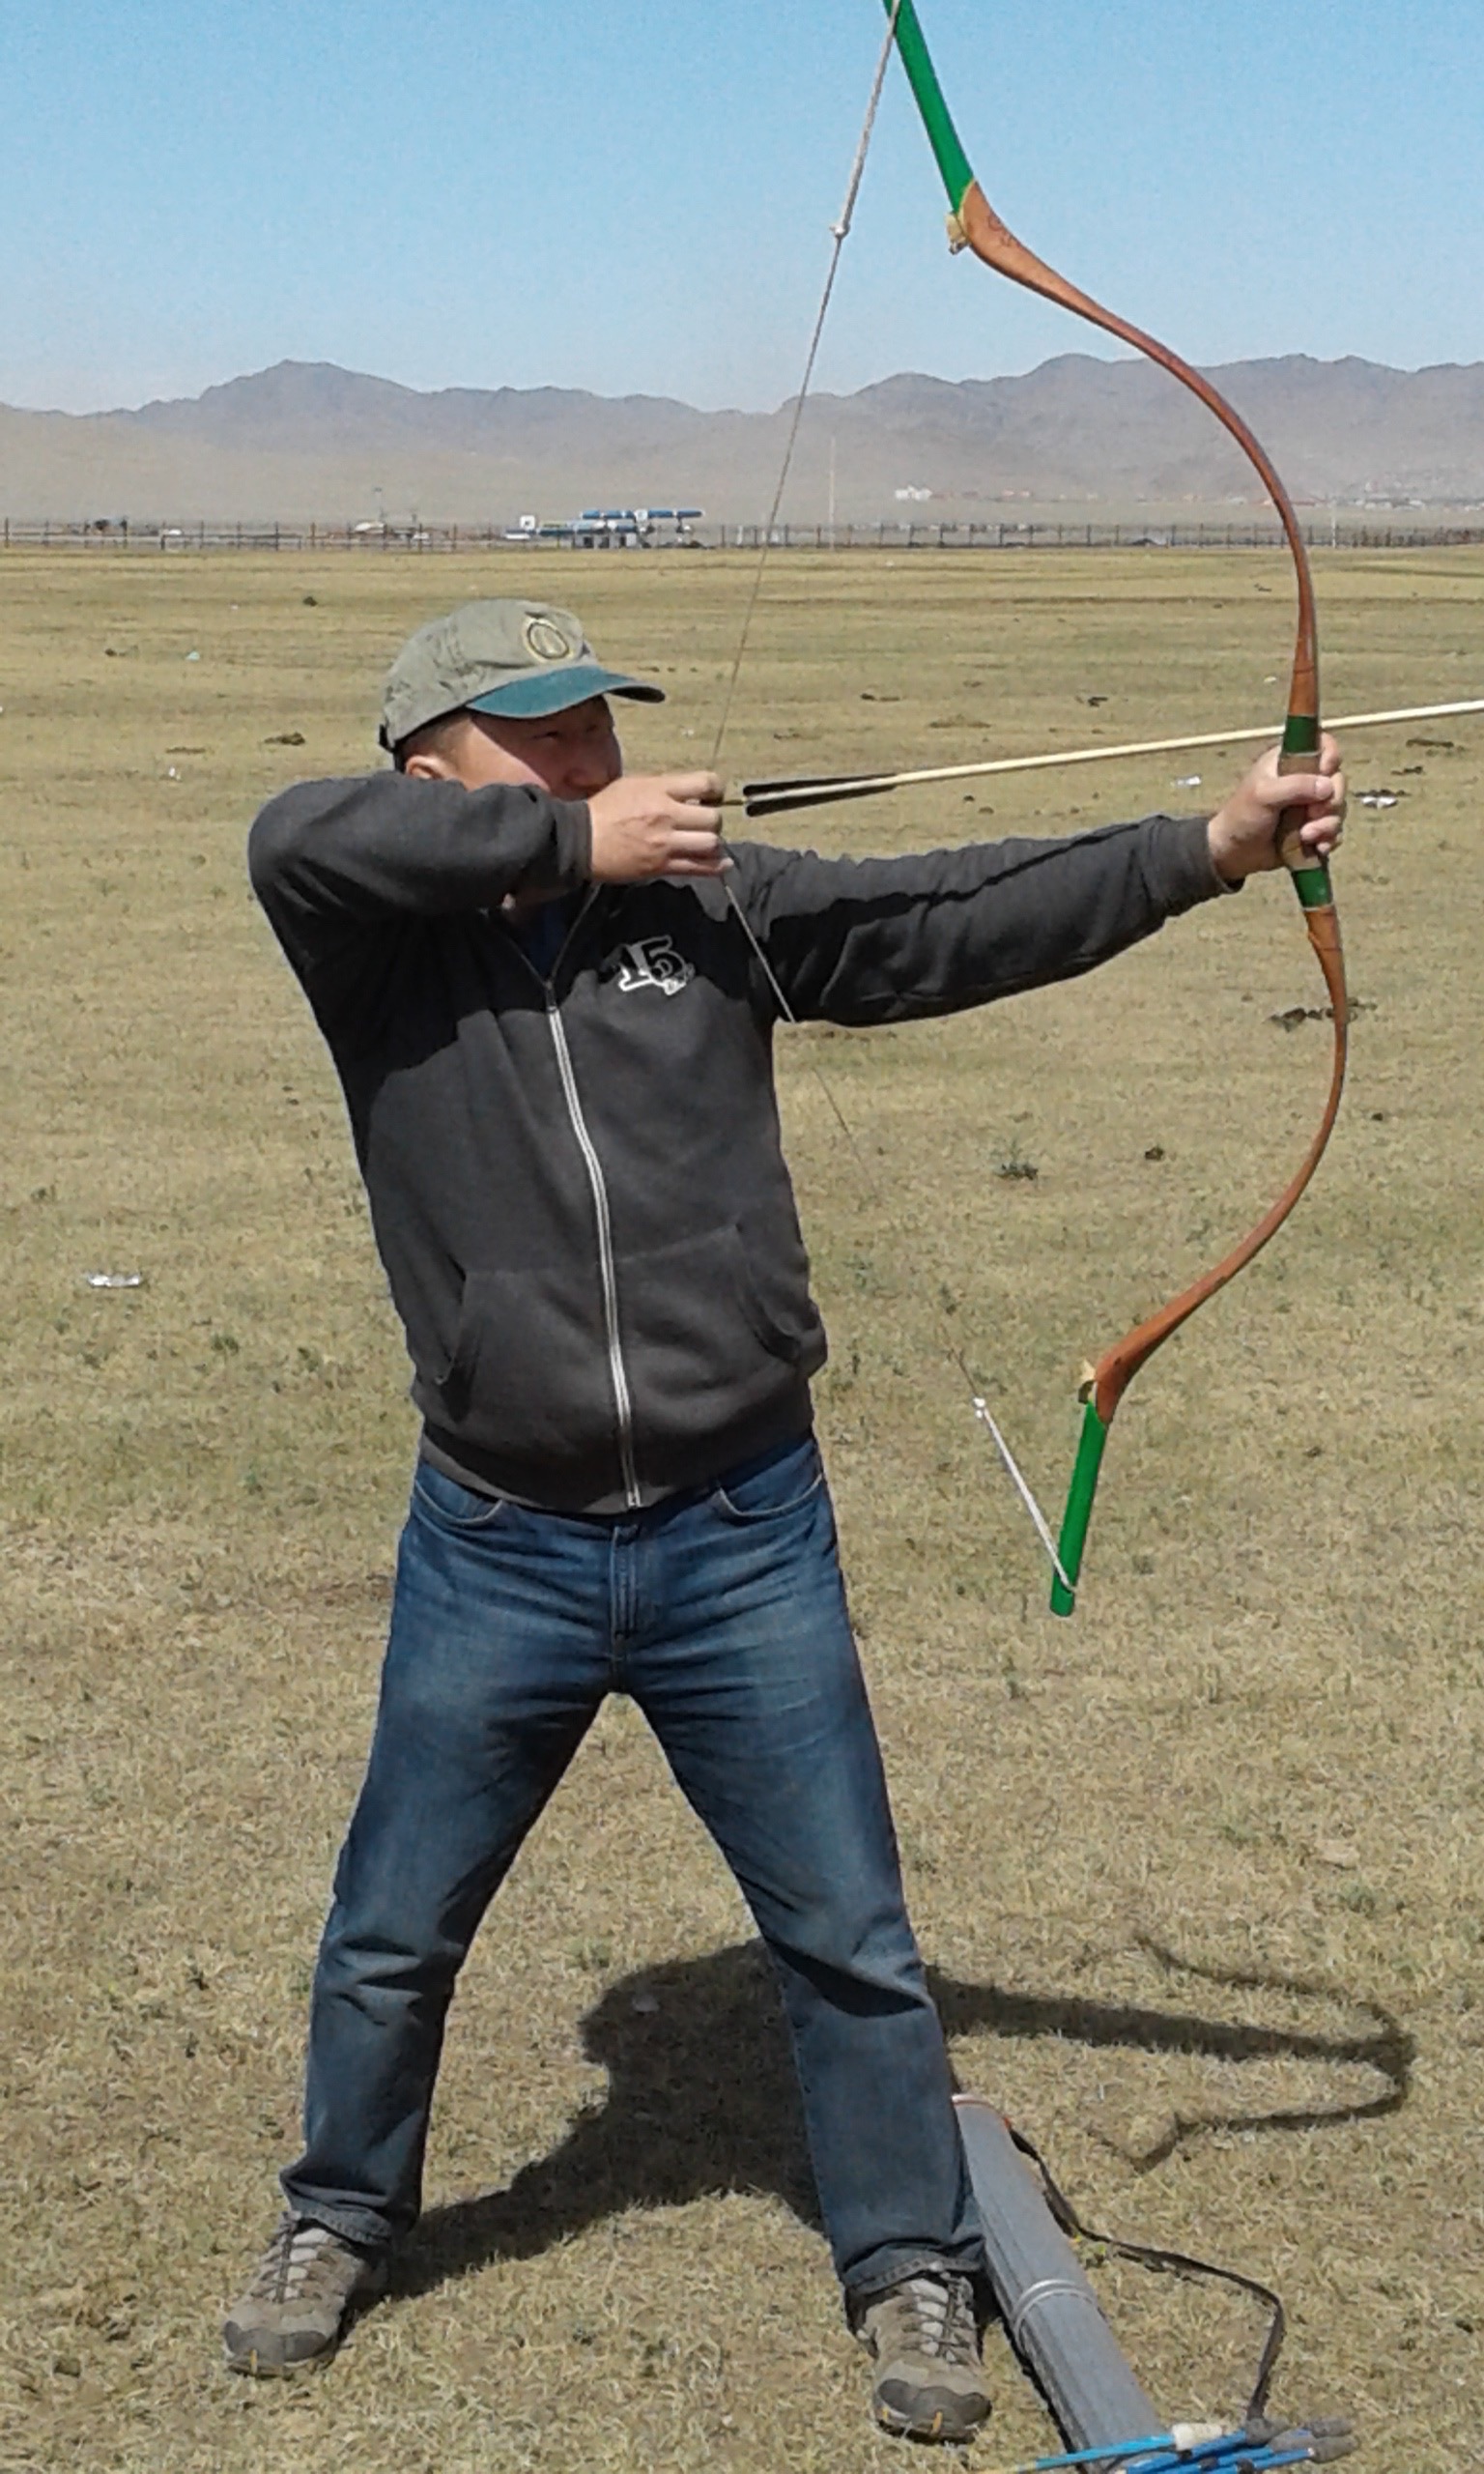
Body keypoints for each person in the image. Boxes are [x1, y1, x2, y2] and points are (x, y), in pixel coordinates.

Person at [227, 595, 1344, 2440]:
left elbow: (948, 918)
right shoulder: (369, 936)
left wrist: (1207, 850)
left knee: (848, 1933)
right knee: (391, 1929)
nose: (589, 754)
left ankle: (908, 2257)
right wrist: (565, 841)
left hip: (742, 1531)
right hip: (500, 1538)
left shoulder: (704, 914)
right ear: (433, 767)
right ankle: (336, 2212)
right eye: (537, 734)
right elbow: (290, 832)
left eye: (596, 723)